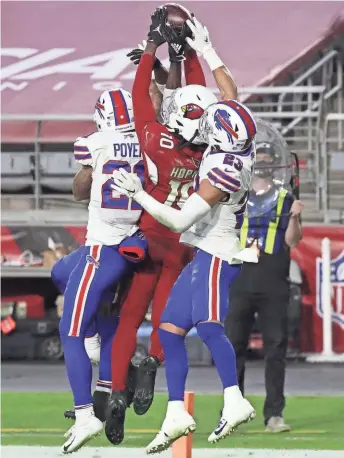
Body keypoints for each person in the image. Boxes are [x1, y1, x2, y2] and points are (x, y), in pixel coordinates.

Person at [105, 7, 218, 446]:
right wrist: (186, 52)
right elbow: (198, 95)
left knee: (129, 318)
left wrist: (154, 46)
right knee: (166, 323)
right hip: (183, 243)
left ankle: (117, 390)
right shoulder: (211, 153)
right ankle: (151, 365)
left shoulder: (157, 138)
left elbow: (139, 94)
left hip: (149, 237)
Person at [53, 88, 148, 454]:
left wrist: (90, 169)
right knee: (63, 275)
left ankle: (85, 413)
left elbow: (80, 189)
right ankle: (110, 385)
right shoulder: (145, 139)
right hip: (133, 244)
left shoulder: (95, 142)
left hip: (104, 246)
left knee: (70, 330)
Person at [225, 127, 303, 433]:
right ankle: (232, 411)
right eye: (259, 158)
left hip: (274, 280)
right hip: (241, 278)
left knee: (276, 349)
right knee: (234, 348)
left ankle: (274, 414)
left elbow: (293, 242)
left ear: (276, 163)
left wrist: (295, 217)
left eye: (268, 158)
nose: (263, 163)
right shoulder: (236, 196)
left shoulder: (285, 197)